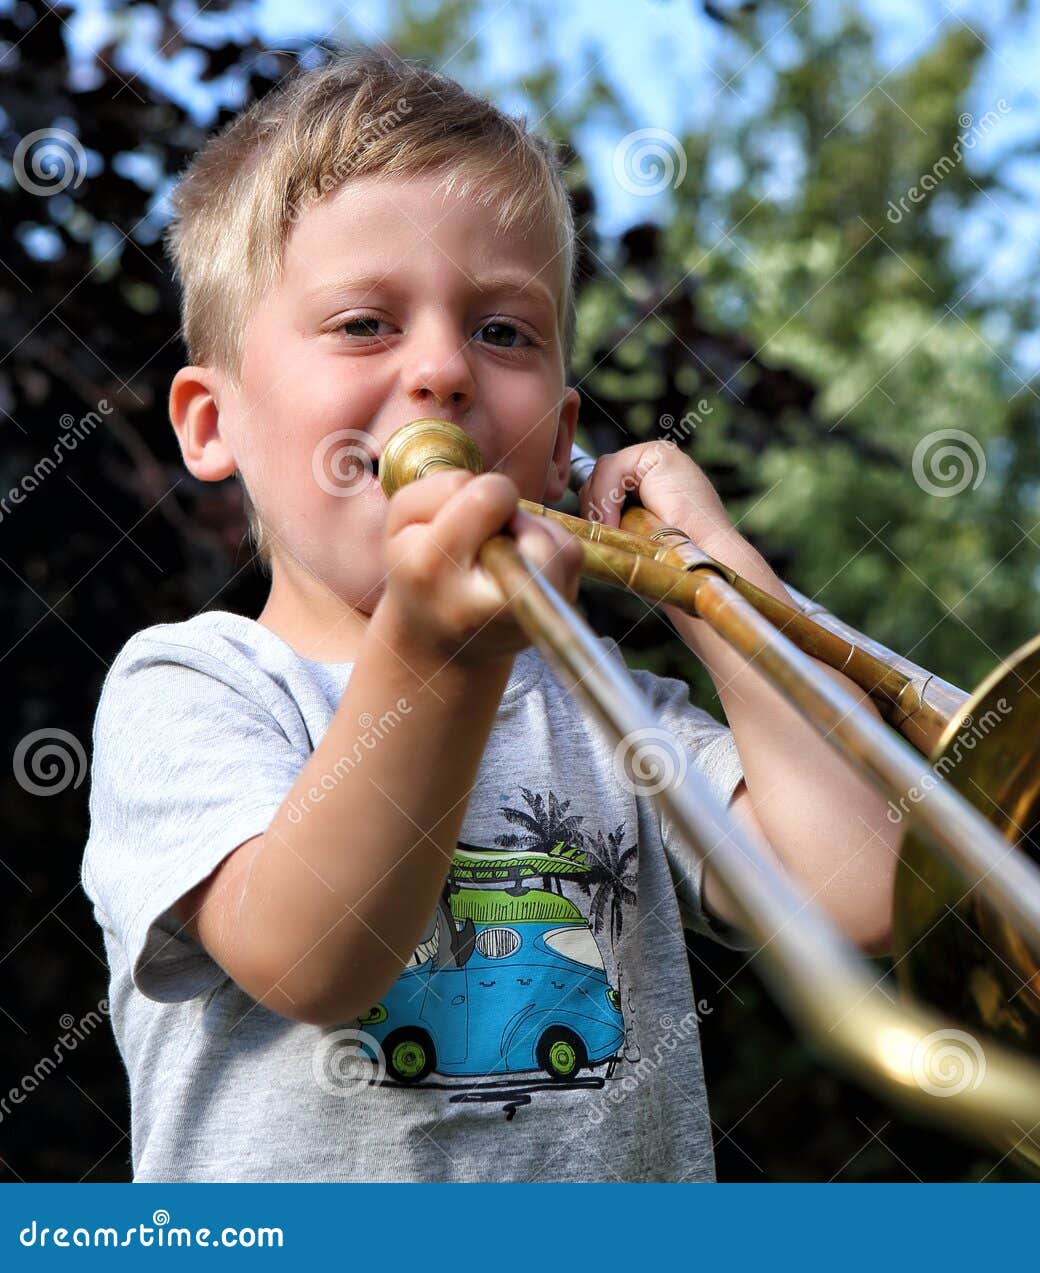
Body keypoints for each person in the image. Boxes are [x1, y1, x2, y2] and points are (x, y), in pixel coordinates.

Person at [79, 46, 897, 1184]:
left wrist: (717, 585)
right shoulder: (193, 685)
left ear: (560, 443)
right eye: (364, 323)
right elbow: (314, 956)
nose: (444, 372)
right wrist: (437, 659)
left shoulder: (613, 711)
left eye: (503, 331)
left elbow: (858, 891)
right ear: (211, 422)